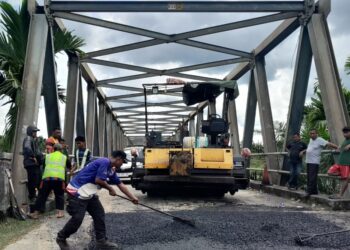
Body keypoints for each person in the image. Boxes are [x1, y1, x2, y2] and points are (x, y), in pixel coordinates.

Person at [56, 150, 139, 250]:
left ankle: (101, 241)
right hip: (76, 191)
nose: (122, 164)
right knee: (77, 218)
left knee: (99, 214)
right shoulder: (104, 162)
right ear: (118, 159)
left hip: (88, 193)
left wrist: (132, 197)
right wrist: (110, 189)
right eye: (122, 162)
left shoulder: (110, 169)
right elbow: (99, 180)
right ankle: (61, 238)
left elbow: (120, 184)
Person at [29, 144, 71, 219]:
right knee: (59, 195)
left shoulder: (48, 156)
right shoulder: (64, 157)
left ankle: (35, 213)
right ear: (61, 150)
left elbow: (43, 166)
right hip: (59, 179)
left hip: (47, 178)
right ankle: (60, 213)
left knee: (42, 195)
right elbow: (69, 166)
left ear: (53, 149)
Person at [302, 129, 338, 197]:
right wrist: (303, 151)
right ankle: (314, 191)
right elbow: (309, 148)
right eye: (311, 133)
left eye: (313, 133)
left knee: (312, 177)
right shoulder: (311, 140)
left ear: (316, 134)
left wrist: (337, 147)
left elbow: (328, 143)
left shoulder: (319, 139)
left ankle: (308, 192)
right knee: (310, 176)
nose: (312, 135)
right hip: (308, 161)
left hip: (314, 162)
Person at [328, 127, 350, 198]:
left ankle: (340, 195)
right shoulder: (345, 140)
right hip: (340, 162)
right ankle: (343, 174)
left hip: (346, 163)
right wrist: (339, 147)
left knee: (345, 179)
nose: (345, 134)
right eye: (344, 133)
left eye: (347, 132)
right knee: (330, 172)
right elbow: (340, 148)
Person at [23, 125, 43, 203]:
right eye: (35, 132)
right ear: (31, 132)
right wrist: (33, 156)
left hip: (34, 164)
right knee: (32, 181)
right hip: (31, 163)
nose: (36, 133)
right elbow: (27, 148)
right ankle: (32, 197)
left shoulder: (33, 140)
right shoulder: (28, 138)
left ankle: (35, 196)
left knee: (36, 180)